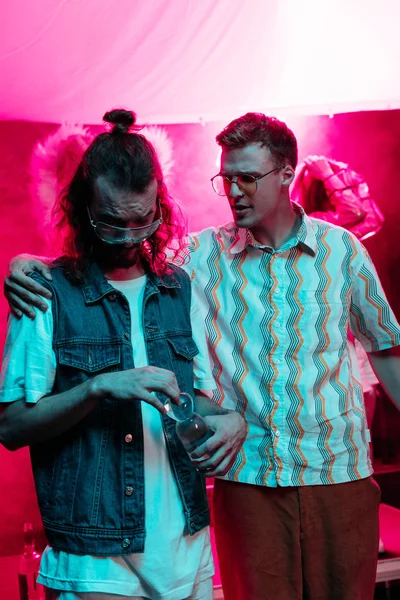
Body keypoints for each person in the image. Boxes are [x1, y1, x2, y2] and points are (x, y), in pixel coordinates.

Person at [5, 112, 400, 600]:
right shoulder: (199, 256)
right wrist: (31, 265)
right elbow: (108, 260)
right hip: (242, 483)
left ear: (285, 175)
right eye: (226, 179)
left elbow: (387, 352)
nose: (234, 191)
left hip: (334, 471)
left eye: (248, 179)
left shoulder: (337, 252)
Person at [0, 109, 246, 600]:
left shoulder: (179, 287)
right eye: (113, 223)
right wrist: (97, 387)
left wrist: (231, 419)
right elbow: (10, 427)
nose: (130, 237)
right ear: (81, 208)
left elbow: (188, 399)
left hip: (186, 545)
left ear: (161, 204)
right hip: (94, 552)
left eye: (144, 220)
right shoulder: (44, 292)